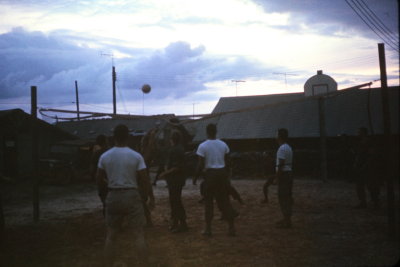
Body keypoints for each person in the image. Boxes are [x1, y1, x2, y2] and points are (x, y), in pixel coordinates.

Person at [96, 124, 155, 267]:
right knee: (138, 235)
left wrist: (107, 193)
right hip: (131, 194)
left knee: (111, 236)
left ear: (114, 137)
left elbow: (98, 179)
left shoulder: (105, 156)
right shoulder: (136, 156)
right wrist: (148, 197)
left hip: (113, 194)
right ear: (128, 137)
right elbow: (144, 179)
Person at [194, 123, 237, 236]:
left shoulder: (203, 146)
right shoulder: (223, 145)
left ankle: (208, 229)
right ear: (216, 132)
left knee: (209, 202)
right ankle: (231, 228)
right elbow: (228, 162)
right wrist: (227, 175)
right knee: (225, 201)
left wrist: (195, 177)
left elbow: (200, 164)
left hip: (210, 175)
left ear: (207, 132)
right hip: (221, 174)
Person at [159, 132, 188, 233]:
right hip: (177, 180)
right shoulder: (179, 148)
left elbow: (176, 167)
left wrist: (165, 173)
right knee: (176, 201)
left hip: (175, 179)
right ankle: (179, 222)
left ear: (172, 139)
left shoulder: (176, 150)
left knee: (175, 201)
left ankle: (179, 223)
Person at [353, 127, 381, 209]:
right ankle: (363, 202)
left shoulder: (369, 142)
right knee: (360, 185)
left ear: (363, 133)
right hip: (361, 166)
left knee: (371, 185)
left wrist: (366, 165)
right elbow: (358, 155)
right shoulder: (360, 142)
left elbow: (371, 156)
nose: (358, 133)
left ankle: (375, 202)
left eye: (359, 132)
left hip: (368, 167)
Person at [275, 128, 293, 229]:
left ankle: (287, 221)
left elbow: (281, 164)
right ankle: (286, 219)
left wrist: (277, 177)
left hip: (284, 174)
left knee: (283, 197)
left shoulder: (282, 148)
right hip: (289, 173)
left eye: (276, 134)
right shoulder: (288, 147)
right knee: (287, 197)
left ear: (279, 136)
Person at [90, 134, 109, 215]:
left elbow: (92, 168)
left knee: (105, 201)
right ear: (105, 141)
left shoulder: (96, 154)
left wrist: (94, 178)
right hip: (111, 179)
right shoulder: (109, 151)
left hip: (101, 181)